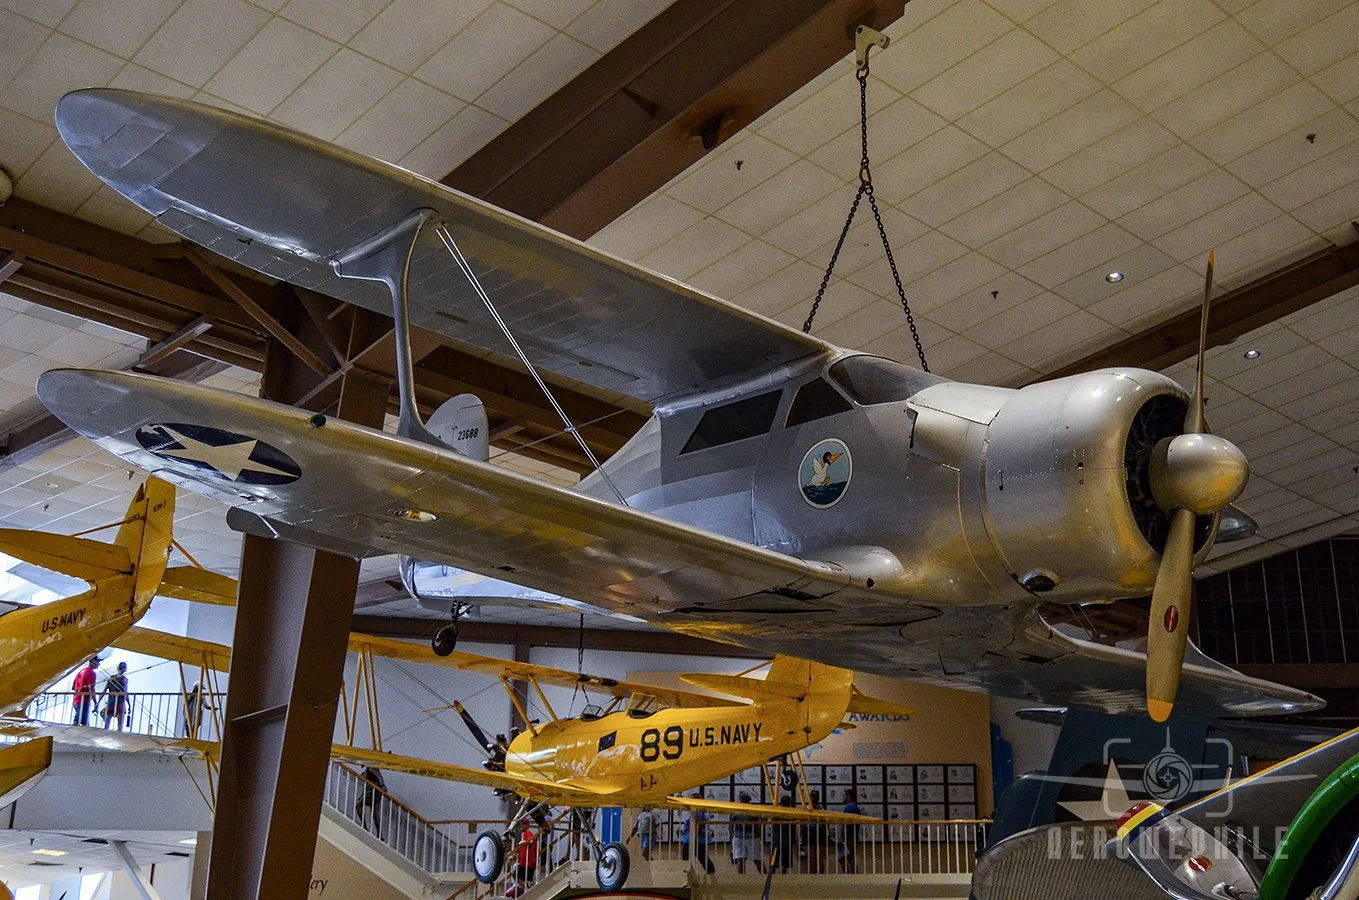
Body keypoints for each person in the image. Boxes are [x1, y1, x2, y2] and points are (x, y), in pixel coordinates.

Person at [730, 793, 764, 874]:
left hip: (738, 837)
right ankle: (765, 877)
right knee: (757, 860)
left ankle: (741, 880)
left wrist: (732, 835)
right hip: (752, 837)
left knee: (740, 860)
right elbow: (762, 819)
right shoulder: (753, 811)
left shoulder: (736, 812)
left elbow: (731, 826)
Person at [680, 797, 714, 874]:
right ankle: (710, 873)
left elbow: (696, 825)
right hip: (695, 839)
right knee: (702, 858)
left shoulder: (698, 814)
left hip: (693, 839)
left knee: (688, 858)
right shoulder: (698, 813)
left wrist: (693, 837)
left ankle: (688, 875)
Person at [767, 795, 797, 873]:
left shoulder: (776, 812)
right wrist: (794, 839)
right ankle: (782, 873)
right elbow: (793, 827)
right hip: (787, 838)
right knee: (785, 860)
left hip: (777, 838)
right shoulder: (791, 813)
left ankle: (772, 872)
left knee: (774, 858)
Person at [506, 826, 537, 898]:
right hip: (525, 862)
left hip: (527, 862)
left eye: (520, 826)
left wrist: (523, 842)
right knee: (517, 875)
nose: (519, 828)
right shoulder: (524, 835)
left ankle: (526, 888)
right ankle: (525, 888)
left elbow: (531, 840)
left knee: (516, 875)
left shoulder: (527, 833)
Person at [802, 790, 828, 874]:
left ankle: (812, 878)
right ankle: (820, 878)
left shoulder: (806, 808)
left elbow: (802, 823)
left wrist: (799, 836)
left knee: (811, 859)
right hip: (819, 832)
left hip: (809, 832)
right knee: (819, 859)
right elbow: (826, 823)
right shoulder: (821, 809)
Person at [356, 765, 387, 836]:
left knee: (359, 806)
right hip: (372, 791)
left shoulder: (372, 768)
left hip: (372, 791)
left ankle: (365, 826)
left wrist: (382, 785)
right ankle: (379, 833)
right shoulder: (368, 770)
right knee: (375, 813)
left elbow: (379, 776)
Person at [838, 788, 861, 873]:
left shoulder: (851, 807)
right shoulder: (853, 807)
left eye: (844, 795)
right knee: (845, 858)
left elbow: (846, 823)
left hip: (848, 837)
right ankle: (851, 877)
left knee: (847, 858)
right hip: (850, 837)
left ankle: (850, 877)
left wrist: (842, 838)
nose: (842, 797)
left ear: (848, 796)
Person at [101, 661, 129, 731]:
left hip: (111, 703)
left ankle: (104, 734)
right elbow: (125, 692)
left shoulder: (111, 678)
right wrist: (129, 704)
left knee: (106, 725)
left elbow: (104, 691)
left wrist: (98, 703)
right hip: (120, 703)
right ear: (125, 669)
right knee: (120, 726)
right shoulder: (124, 679)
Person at [72, 656, 99, 726]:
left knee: (84, 721)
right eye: (98, 661)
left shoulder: (81, 671)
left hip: (76, 699)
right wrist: (95, 702)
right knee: (80, 723)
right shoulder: (92, 673)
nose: (99, 664)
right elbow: (91, 689)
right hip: (84, 701)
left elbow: (73, 687)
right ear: (92, 661)